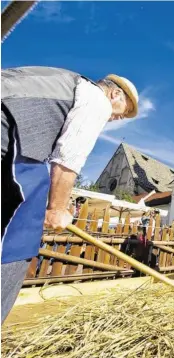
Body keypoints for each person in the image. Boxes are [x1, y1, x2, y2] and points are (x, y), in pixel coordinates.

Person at [1, 66, 139, 323]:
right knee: (20, 234)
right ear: (115, 95)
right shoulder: (96, 100)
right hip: (7, 132)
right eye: (124, 112)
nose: (118, 118)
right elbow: (67, 160)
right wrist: (57, 208)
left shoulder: (64, 81)